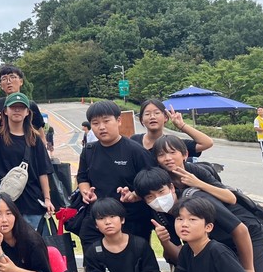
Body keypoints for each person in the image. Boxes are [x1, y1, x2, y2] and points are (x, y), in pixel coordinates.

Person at [134, 167, 263, 272]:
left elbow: (240, 229)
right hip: (217, 245)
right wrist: (165, 241)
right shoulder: (159, 214)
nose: (158, 199)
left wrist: (248, 269)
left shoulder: (196, 200)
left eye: (161, 192)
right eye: (150, 196)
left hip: (247, 235)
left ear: (172, 188)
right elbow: (180, 256)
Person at [75, 100, 155, 250]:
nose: (101, 127)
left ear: (118, 121)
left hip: (131, 220)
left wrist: (135, 194)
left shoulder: (136, 151)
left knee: (132, 261)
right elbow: (82, 177)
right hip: (97, 220)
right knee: (93, 259)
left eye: (106, 121)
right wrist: (86, 193)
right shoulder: (89, 151)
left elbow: (152, 182)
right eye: (95, 123)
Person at [0, 92, 54, 229]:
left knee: (33, 240)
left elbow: (43, 171)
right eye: (13, 107)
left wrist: (47, 199)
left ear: (27, 112)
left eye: (21, 107)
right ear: (5, 111)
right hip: (6, 202)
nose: (17, 110)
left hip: (32, 201)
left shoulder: (34, 139)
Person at [152, 134, 236, 206]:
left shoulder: (197, 171)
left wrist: (197, 183)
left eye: (172, 152)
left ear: (185, 154)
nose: (167, 158)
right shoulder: (160, 178)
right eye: (161, 155)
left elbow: (231, 198)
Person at [0, 65, 46, 140]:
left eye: (12, 77)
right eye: (4, 79)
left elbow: (40, 134)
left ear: (21, 81)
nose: (8, 82)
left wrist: (43, 146)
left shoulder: (30, 105)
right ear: (1, 85)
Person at [131, 99, 213, 160]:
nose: (152, 117)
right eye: (147, 114)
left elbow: (207, 143)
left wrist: (182, 125)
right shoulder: (134, 141)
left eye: (157, 113)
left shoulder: (174, 143)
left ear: (166, 117)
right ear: (142, 120)